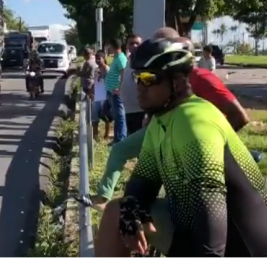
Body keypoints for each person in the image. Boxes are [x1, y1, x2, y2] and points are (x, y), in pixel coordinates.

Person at [95, 37, 267, 257]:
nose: (139, 87)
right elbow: (143, 181)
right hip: (192, 227)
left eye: (149, 79)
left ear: (177, 82)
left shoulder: (194, 123)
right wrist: (132, 213)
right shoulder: (161, 121)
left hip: (241, 246)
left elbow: (211, 227)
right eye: (137, 77)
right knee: (118, 211)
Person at [82, 30, 250, 210]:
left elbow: (240, 116)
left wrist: (215, 144)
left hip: (194, 140)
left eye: (158, 45)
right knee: (126, 164)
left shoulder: (201, 78)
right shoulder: (160, 79)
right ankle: (107, 198)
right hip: (165, 130)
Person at [121, 35, 145, 135]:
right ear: (127, 46)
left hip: (141, 111)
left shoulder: (144, 63)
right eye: (131, 43)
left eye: (137, 43)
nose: (134, 45)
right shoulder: (128, 61)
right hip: (128, 110)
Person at [105, 38, 128, 143]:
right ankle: (117, 138)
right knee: (115, 115)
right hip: (111, 91)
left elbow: (124, 72)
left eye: (109, 46)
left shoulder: (121, 58)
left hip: (116, 92)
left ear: (113, 46)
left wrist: (120, 89)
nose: (108, 48)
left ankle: (120, 139)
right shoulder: (116, 57)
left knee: (119, 116)